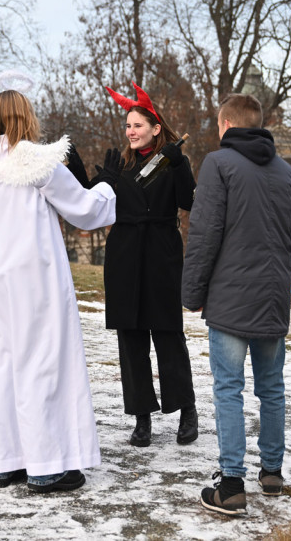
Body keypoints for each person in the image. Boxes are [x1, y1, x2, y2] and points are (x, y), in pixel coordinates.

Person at [0, 83, 117, 493]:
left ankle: (4, 460)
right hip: (33, 279)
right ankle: (45, 464)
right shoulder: (39, 164)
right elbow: (87, 211)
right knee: (40, 363)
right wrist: (108, 184)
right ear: (26, 117)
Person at [181, 93, 291, 517]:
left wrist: (192, 292)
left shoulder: (218, 164)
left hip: (230, 298)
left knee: (228, 388)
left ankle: (231, 483)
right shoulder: (286, 172)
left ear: (227, 126)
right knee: (272, 388)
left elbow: (205, 232)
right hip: (272, 298)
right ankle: (272, 472)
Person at [95, 83, 198, 448]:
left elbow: (189, 200)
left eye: (137, 125)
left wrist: (179, 162)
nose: (131, 131)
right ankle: (141, 418)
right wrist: (100, 179)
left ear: (156, 128)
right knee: (131, 342)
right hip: (124, 259)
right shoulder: (120, 165)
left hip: (161, 256)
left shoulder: (172, 162)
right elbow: (92, 204)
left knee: (169, 337)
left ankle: (186, 409)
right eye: (127, 126)